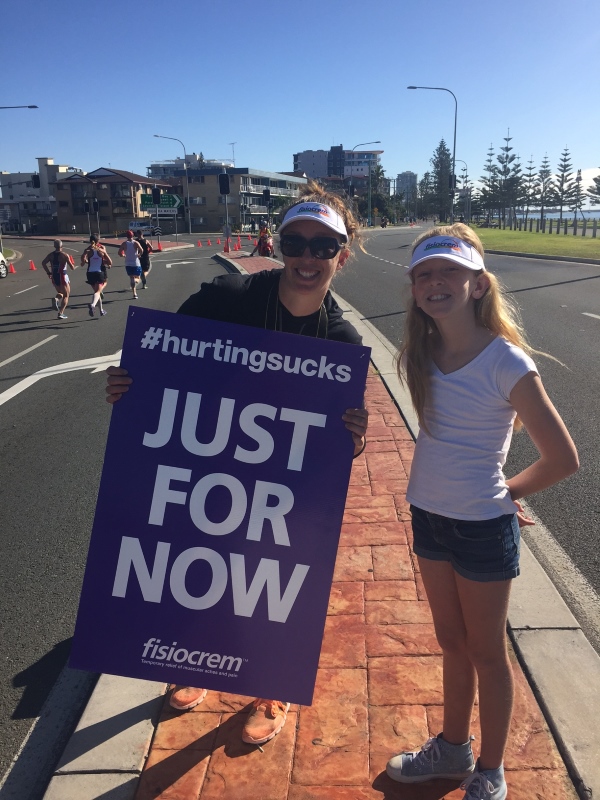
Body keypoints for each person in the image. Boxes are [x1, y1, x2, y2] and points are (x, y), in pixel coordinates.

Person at [106, 183, 369, 747]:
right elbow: (164, 365)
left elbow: (340, 441)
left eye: (324, 247)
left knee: (272, 579)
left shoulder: (340, 340)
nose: (307, 257)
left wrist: (354, 438)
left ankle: (270, 683)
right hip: (210, 468)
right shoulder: (225, 297)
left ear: (341, 257)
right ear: (277, 245)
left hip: (278, 493)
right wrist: (131, 386)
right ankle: (198, 661)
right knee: (200, 569)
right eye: (296, 242)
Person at [386, 224, 578, 799]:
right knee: (450, 641)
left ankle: (489, 769)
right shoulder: (421, 352)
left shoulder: (507, 361)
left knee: (487, 652)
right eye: (424, 274)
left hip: (480, 528)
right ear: (415, 289)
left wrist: (506, 495)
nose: (435, 282)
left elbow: (562, 458)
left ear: (477, 284)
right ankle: (452, 748)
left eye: (450, 271)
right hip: (429, 518)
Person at [42, 240, 75, 319]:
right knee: (66, 296)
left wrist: (48, 273)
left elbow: (43, 263)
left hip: (54, 275)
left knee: (61, 292)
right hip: (62, 275)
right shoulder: (65, 255)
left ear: (54, 246)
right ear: (62, 246)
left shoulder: (50, 255)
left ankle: (56, 299)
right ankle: (61, 313)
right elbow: (72, 267)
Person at [81, 234, 112, 316]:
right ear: (98, 240)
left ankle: (101, 310)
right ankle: (93, 305)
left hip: (90, 273)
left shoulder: (87, 250)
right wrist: (105, 254)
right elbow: (110, 262)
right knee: (98, 291)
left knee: (96, 292)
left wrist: (85, 257)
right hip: (99, 272)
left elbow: (82, 263)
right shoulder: (101, 249)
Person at [118, 230, 143, 299]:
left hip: (128, 263)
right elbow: (141, 250)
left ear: (127, 236)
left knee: (131, 277)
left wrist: (123, 255)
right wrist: (139, 254)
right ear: (133, 235)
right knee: (138, 277)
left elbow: (119, 253)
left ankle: (134, 293)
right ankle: (135, 281)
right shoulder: (136, 243)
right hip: (136, 263)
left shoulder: (124, 244)